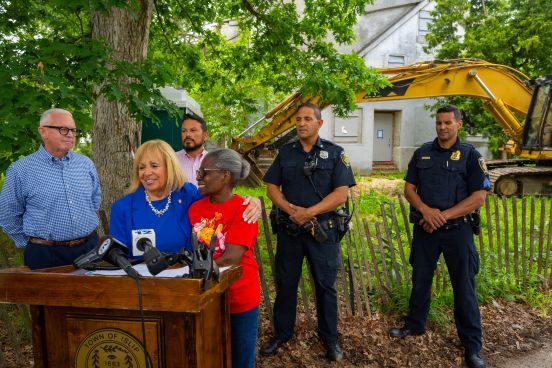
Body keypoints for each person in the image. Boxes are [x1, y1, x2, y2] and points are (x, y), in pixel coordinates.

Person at [388, 105, 490, 368]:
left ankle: (472, 346)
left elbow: (479, 197)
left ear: (459, 124)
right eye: (439, 123)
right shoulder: (422, 153)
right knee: (420, 279)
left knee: (464, 288)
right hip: (426, 230)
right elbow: (409, 188)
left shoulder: (470, 156)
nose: (442, 127)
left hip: (458, 232)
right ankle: (414, 325)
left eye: (447, 123)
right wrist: (425, 210)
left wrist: (442, 216)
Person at [260, 102, 356, 362]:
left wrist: (309, 212)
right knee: (286, 284)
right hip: (291, 230)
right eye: (298, 119)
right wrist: (291, 210)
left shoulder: (335, 154)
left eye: (307, 119)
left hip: (322, 231)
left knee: (326, 287)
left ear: (319, 123)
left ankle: (329, 338)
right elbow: (271, 187)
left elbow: (341, 194)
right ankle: (282, 333)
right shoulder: (286, 153)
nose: (301, 123)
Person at [110, 140, 260, 257]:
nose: (146, 172)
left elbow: (222, 196)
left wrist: (251, 201)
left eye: (154, 166)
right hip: (141, 286)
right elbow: (119, 258)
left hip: (186, 281)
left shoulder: (188, 194)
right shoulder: (123, 208)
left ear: (170, 167)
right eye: (141, 167)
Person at [0, 108, 101, 269]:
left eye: (74, 130)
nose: (70, 134)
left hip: (89, 249)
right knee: (47, 295)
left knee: (95, 294)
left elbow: (94, 201)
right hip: (45, 255)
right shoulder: (20, 170)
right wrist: (30, 245)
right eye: (63, 129)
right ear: (43, 132)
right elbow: (7, 214)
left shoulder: (85, 164)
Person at [188, 149, 260, 368]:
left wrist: (190, 270)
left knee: (240, 361)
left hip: (238, 298)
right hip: (207, 297)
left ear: (226, 175)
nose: (199, 177)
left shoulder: (244, 209)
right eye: (199, 171)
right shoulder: (195, 208)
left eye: (205, 172)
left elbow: (230, 258)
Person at [175, 112, 208, 187]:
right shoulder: (172, 160)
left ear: (205, 136)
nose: (187, 134)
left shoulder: (214, 161)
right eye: (184, 131)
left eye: (193, 130)